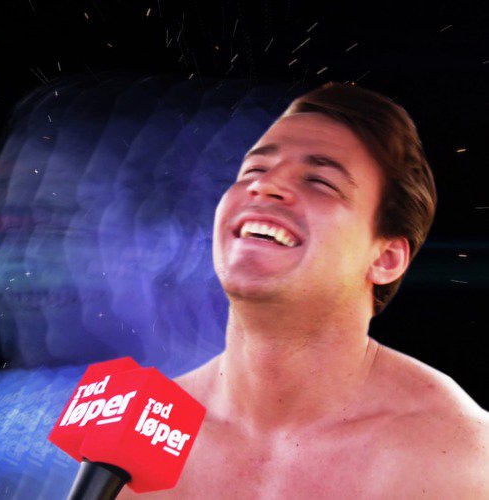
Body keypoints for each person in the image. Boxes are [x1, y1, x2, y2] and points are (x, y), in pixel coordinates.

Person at [120, 82, 489, 498]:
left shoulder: (457, 457)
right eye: (253, 171)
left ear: (385, 258)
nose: (264, 186)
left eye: (320, 181)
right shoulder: (135, 436)